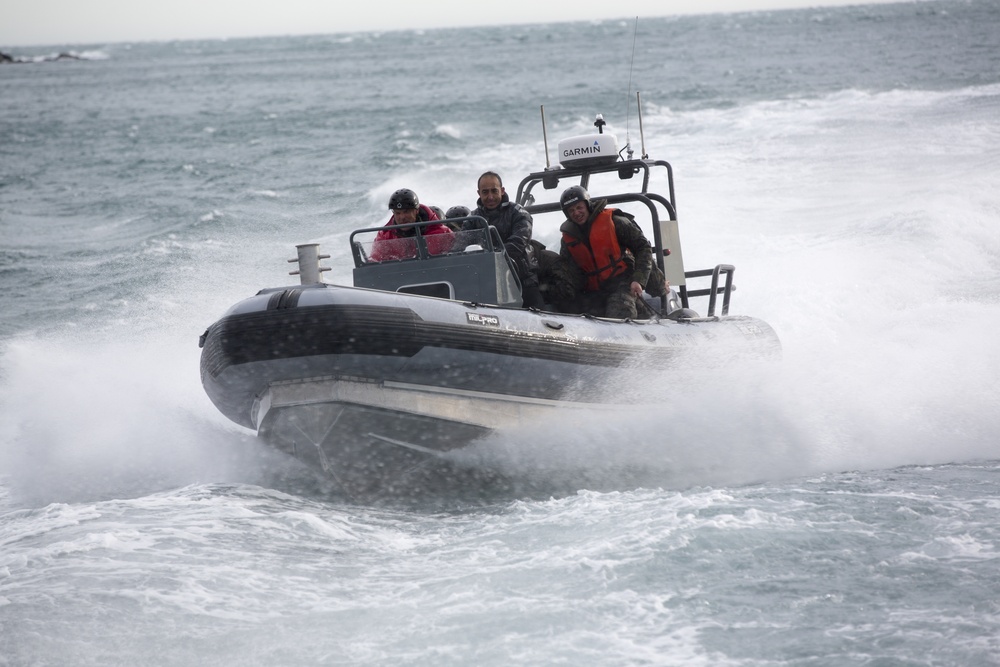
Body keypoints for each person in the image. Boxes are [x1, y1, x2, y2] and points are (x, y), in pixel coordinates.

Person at [557, 185, 654, 319]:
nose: (576, 213)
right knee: (576, 312)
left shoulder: (615, 222)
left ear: (588, 205)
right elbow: (567, 269)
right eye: (571, 210)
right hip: (594, 291)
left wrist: (638, 280)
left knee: (619, 309)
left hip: (623, 281)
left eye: (579, 207)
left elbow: (643, 247)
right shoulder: (568, 239)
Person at [459, 171, 545, 309]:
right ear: (479, 193)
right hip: (485, 281)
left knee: (538, 311)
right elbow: (460, 245)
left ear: (502, 190)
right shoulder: (472, 219)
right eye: (485, 192)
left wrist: (494, 259)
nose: (490, 196)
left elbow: (519, 241)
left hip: (521, 278)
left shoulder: (518, 213)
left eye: (494, 191)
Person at [370, 188, 453, 262]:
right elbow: (375, 261)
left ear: (416, 210)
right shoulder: (385, 236)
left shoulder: (442, 233)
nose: (402, 217)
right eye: (398, 213)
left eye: (406, 212)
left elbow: (456, 256)